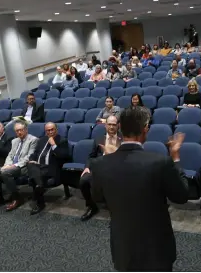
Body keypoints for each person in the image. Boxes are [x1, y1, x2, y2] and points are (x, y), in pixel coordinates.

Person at [90, 107, 189, 271]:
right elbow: (182, 195)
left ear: (120, 128)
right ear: (145, 129)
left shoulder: (100, 164)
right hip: (156, 248)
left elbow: (98, 197)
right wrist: (176, 158)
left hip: (123, 247)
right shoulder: (161, 162)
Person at [0, 121, 38, 212]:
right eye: (17, 131)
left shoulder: (33, 140)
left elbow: (29, 157)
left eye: (21, 130)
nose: (19, 132)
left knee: (5, 172)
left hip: (24, 167)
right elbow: (10, 155)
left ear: (26, 130)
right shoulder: (14, 141)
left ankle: (17, 198)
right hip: (12, 166)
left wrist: (13, 166)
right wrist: (7, 164)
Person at [79, 115, 122, 221]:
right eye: (109, 124)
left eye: (114, 125)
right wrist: (87, 167)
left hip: (117, 170)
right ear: (105, 125)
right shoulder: (99, 139)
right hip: (99, 168)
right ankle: (92, 206)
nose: (111, 127)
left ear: (118, 126)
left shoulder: (123, 139)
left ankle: (117, 211)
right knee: (83, 180)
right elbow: (91, 156)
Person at [27, 122, 69, 215]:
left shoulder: (62, 140)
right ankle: (40, 186)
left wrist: (54, 145)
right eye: (47, 130)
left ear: (56, 129)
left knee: (35, 176)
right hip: (38, 166)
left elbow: (64, 156)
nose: (50, 132)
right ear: (45, 131)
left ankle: (39, 201)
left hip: (51, 168)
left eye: (52, 129)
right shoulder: (41, 140)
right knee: (30, 165)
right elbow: (34, 153)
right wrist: (31, 160)